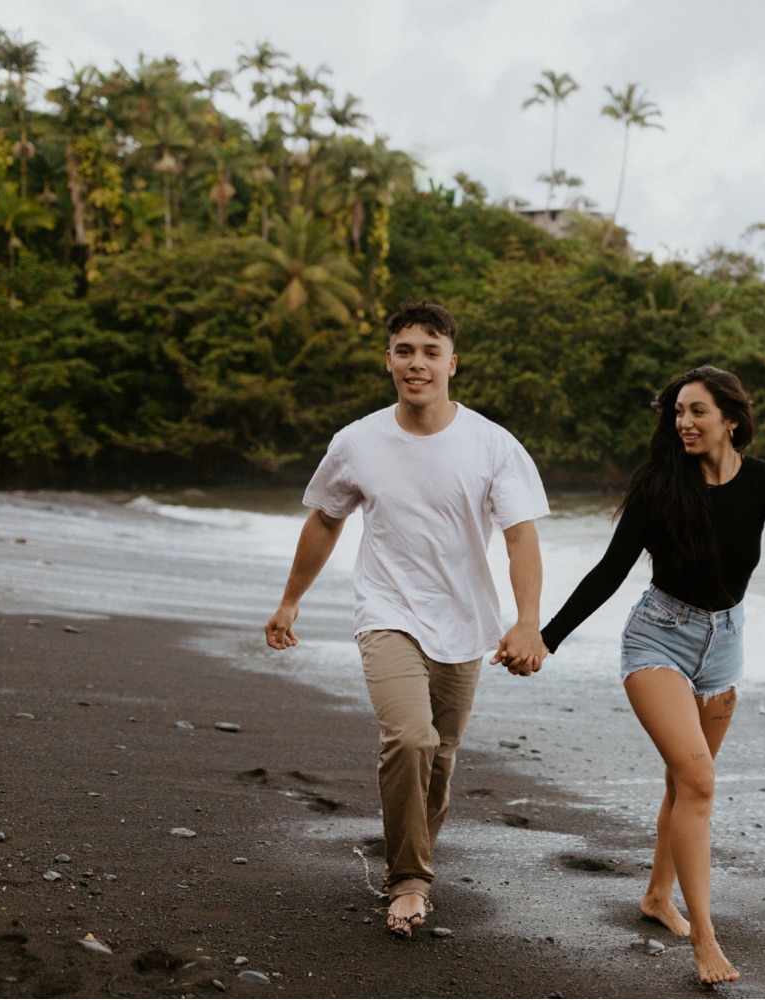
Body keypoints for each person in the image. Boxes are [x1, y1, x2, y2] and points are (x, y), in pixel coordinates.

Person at [526, 365, 765, 984]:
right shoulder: (659, 484)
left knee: (685, 784)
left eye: (697, 411)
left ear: (731, 419)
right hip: (658, 636)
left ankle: (657, 896)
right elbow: (609, 571)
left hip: (726, 644)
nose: (683, 422)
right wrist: (547, 638)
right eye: (678, 411)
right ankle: (705, 940)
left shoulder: (764, 481)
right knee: (700, 781)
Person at [264, 300, 551, 938]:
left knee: (440, 757)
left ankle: (412, 853)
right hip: (386, 610)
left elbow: (521, 538)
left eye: (429, 351)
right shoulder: (358, 441)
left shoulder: (492, 445)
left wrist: (527, 621)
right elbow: (326, 519)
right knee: (411, 740)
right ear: (388, 359)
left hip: (464, 621)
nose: (416, 363)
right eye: (404, 350)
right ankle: (409, 879)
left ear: (452, 361)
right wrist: (291, 600)